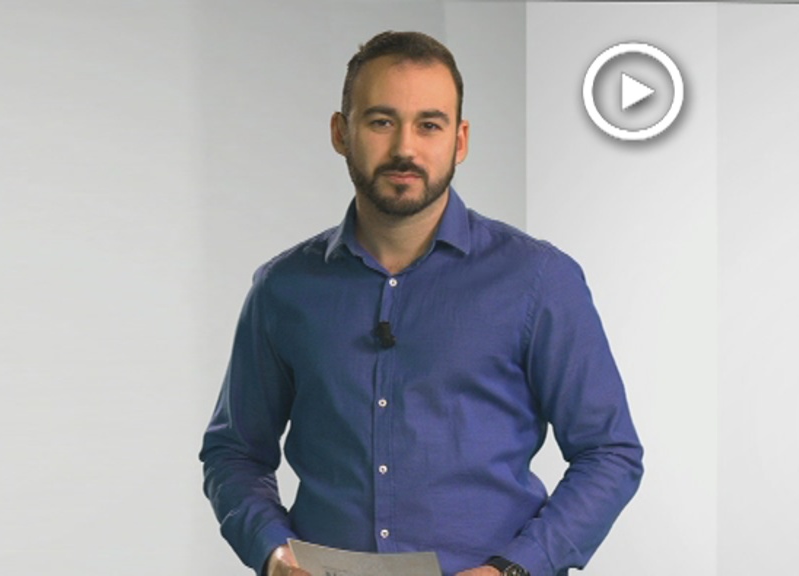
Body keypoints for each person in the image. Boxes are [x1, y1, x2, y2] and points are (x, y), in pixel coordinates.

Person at [200, 30, 643, 576]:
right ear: (341, 132)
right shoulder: (282, 288)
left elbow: (609, 452)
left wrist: (515, 568)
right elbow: (234, 453)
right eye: (381, 122)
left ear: (460, 140)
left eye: (429, 125)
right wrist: (274, 554)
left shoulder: (539, 279)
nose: (405, 149)